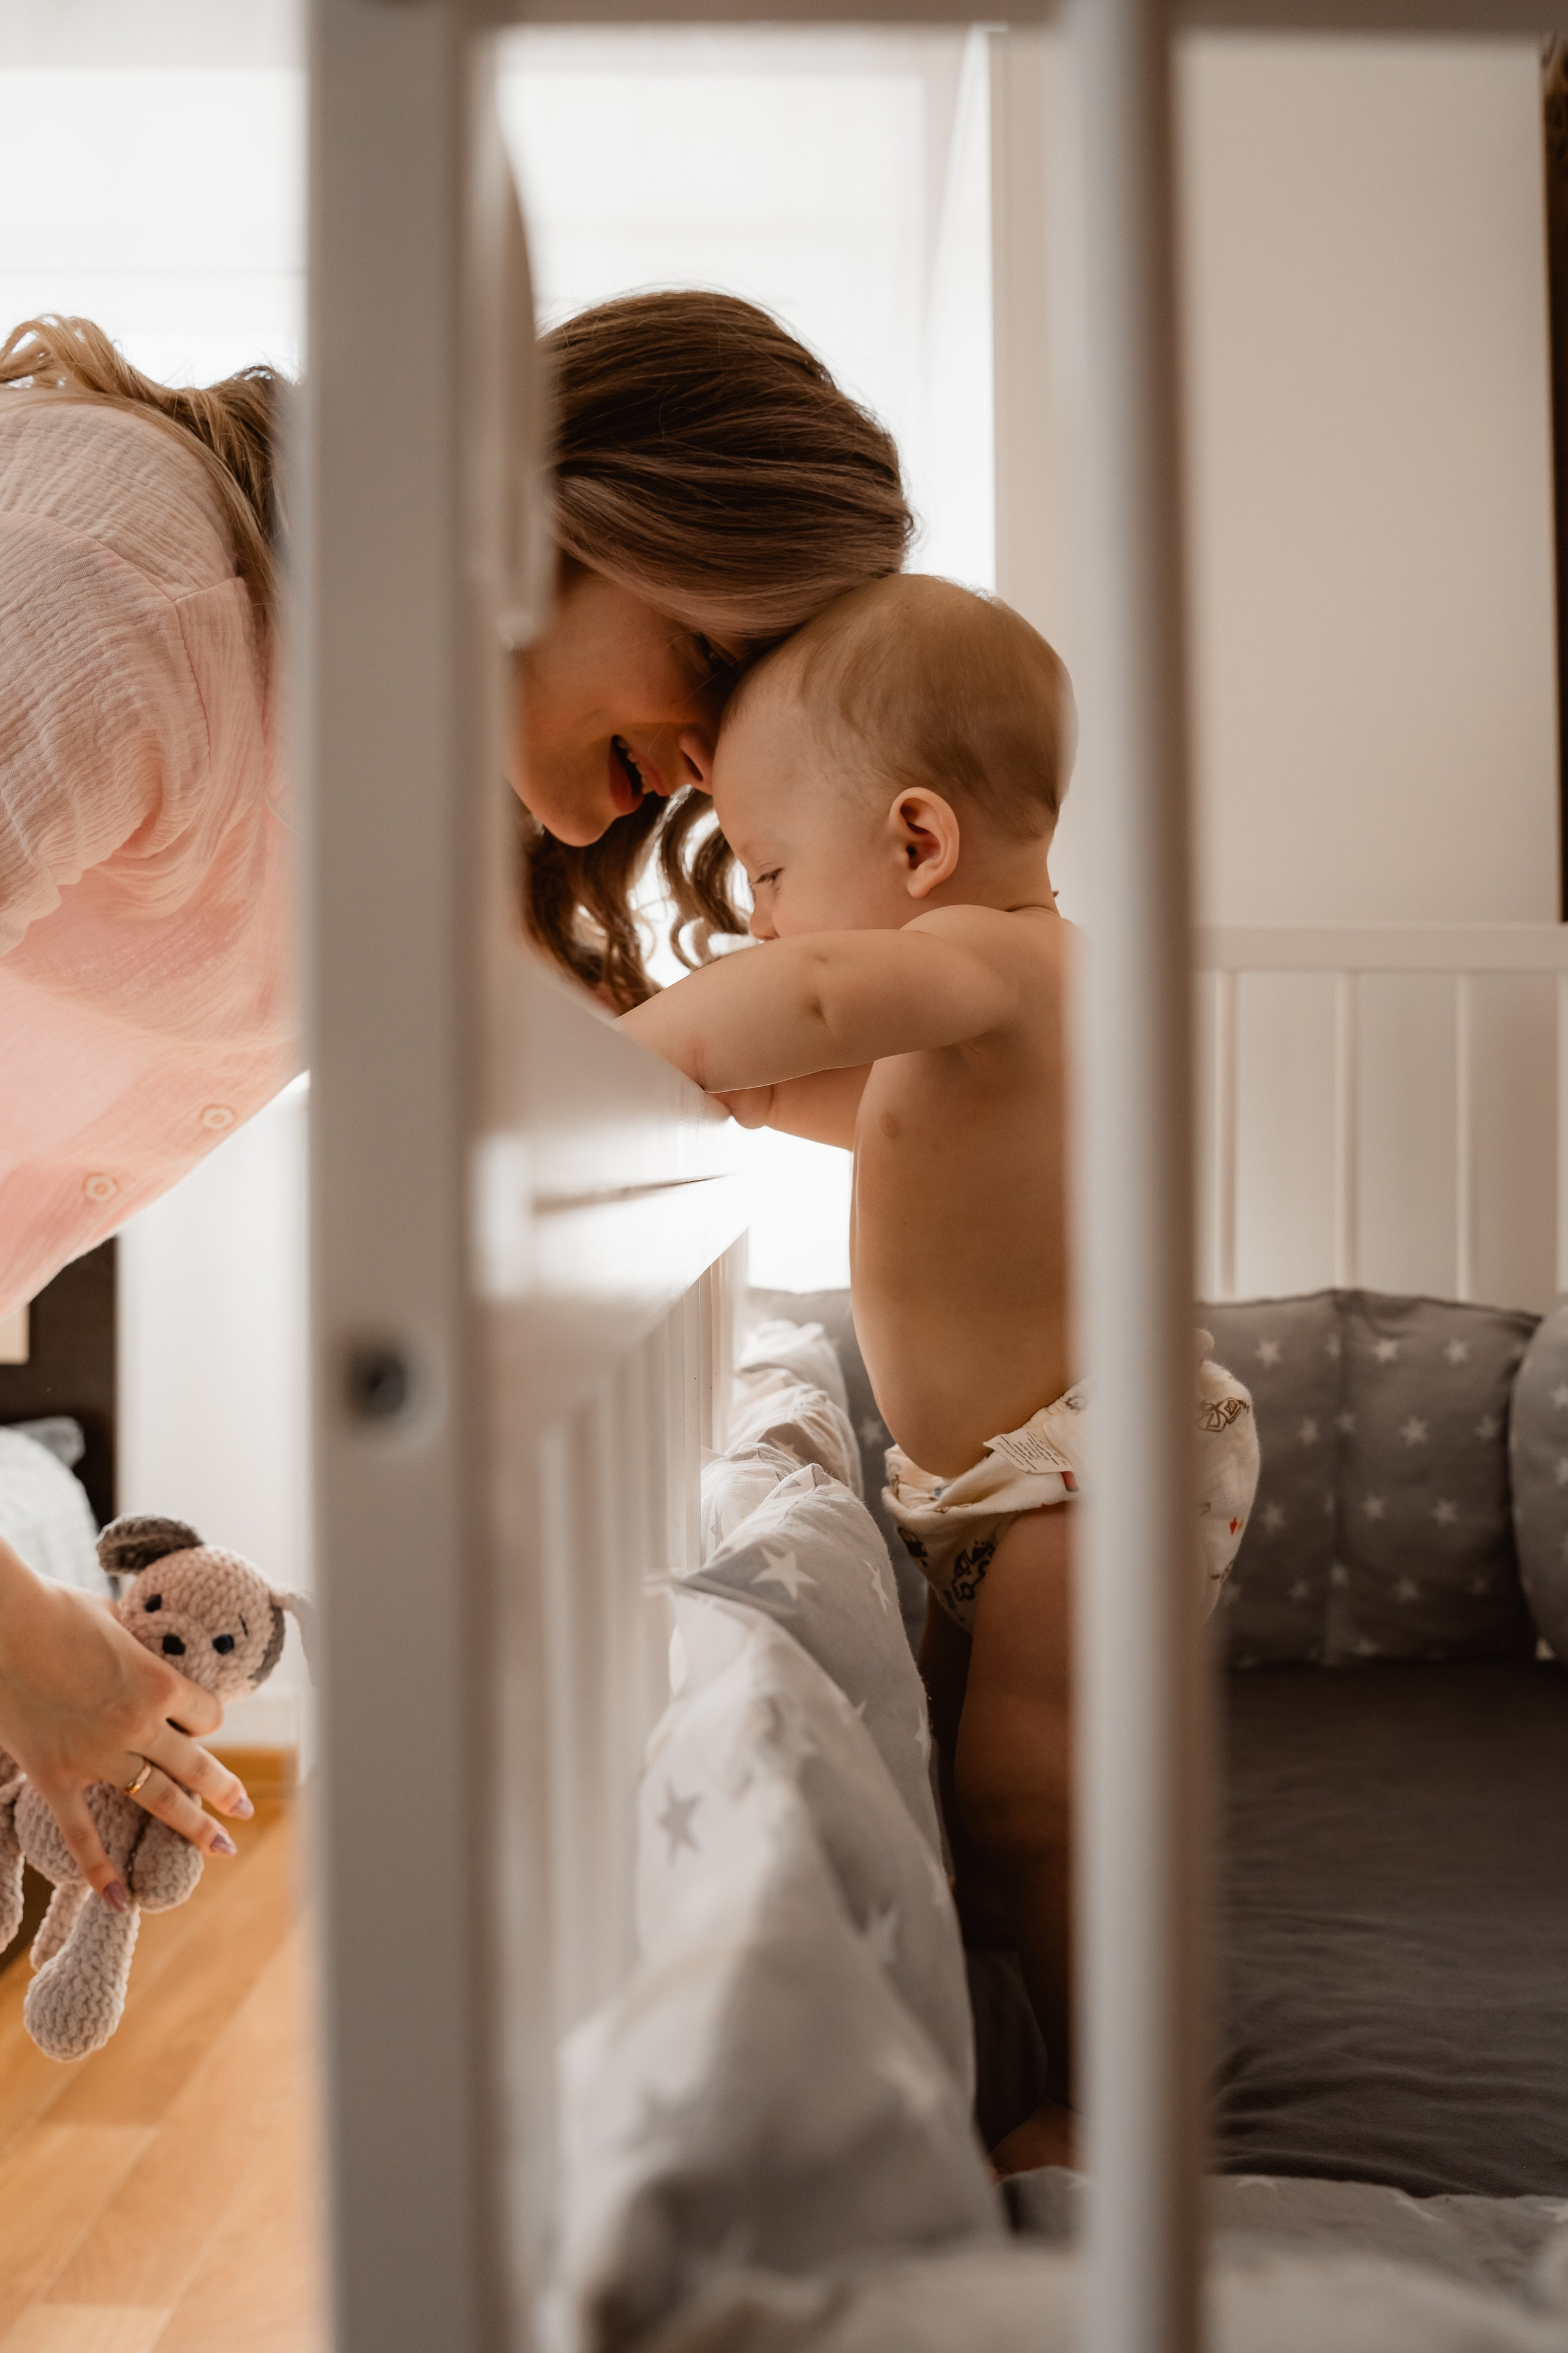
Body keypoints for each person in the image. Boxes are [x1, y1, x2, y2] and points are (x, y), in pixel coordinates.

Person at [0, 295, 909, 1902]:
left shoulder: (399, 800)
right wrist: (31, 1646)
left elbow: (667, 1082)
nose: (707, 756)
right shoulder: (139, 596)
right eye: (709, 658)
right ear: (549, 508)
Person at [617, 574, 1259, 2173]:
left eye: (769, 872)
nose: (760, 919)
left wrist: (639, 1045)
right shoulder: (991, 998)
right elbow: (887, 1106)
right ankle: (1031, 1979)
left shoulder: (999, 957)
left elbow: (819, 996)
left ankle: (1120, 2107)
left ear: (918, 843)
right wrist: (758, 1106)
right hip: (999, 1476)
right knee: (1001, 1787)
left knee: (1035, 1783)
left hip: (1081, 1457)